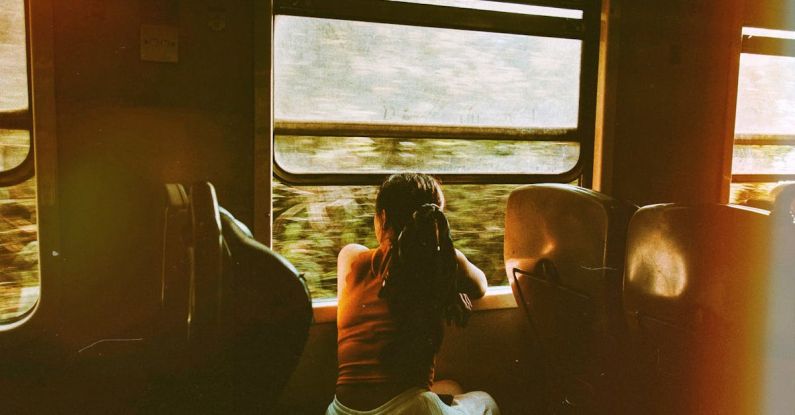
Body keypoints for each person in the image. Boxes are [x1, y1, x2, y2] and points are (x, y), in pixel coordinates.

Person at [327, 173, 500, 415]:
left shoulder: (351, 257)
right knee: (485, 400)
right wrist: (450, 284)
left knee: (450, 387)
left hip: (342, 411)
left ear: (383, 218)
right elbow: (480, 285)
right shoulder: (443, 265)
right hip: (413, 409)